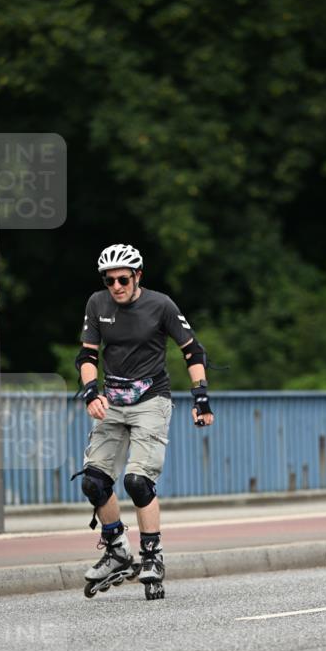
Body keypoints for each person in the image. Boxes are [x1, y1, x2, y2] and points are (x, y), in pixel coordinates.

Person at [73, 243, 214, 600]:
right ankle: (118, 548)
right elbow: (87, 355)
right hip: (113, 404)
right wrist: (91, 392)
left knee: (137, 481)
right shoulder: (97, 304)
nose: (116, 286)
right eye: (109, 280)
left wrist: (200, 398)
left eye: (123, 279)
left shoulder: (160, 305)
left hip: (152, 402)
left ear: (138, 276)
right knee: (93, 482)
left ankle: (152, 555)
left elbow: (192, 350)